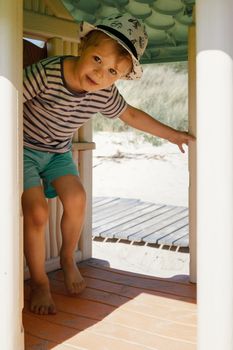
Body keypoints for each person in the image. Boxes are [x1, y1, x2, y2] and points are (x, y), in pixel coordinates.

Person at [23, 13, 194, 315]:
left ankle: (66, 258)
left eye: (112, 70)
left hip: (58, 153)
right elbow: (8, 96)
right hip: (23, 148)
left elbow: (131, 115)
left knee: (77, 198)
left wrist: (171, 135)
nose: (100, 73)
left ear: (118, 78)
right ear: (83, 46)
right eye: (98, 59)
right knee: (37, 212)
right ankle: (39, 283)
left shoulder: (103, 93)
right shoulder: (48, 72)